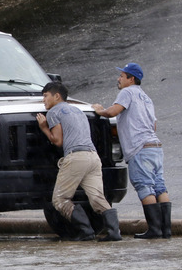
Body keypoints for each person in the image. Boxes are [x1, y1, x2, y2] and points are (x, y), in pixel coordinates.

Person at [92, 63, 171, 239]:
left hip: (139, 148)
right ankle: (166, 230)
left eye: (122, 75)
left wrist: (99, 111)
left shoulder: (127, 92)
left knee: (144, 186)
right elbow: (154, 125)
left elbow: (113, 111)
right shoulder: (146, 97)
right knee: (160, 186)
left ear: (131, 79)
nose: (118, 79)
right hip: (155, 147)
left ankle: (155, 230)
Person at [36, 81, 121, 241]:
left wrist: (44, 128)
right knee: (97, 198)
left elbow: (58, 141)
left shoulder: (54, 112)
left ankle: (86, 231)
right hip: (93, 157)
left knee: (60, 199)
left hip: (76, 157)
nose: (44, 100)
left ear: (57, 96)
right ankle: (114, 232)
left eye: (46, 96)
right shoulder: (77, 110)